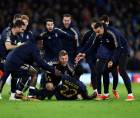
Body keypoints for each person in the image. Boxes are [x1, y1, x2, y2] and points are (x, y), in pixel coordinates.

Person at [1, 35, 60, 100]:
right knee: (34, 72)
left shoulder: (28, 44)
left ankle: (13, 96)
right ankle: (31, 95)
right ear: (39, 42)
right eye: (41, 44)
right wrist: (53, 70)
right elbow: (40, 62)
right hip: (16, 63)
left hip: (8, 60)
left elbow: (28, 58)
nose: (42, 46)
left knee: (15, 76)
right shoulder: (34, 48)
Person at [93, 22, 134, 101]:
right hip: (115, 53)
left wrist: (112, 60)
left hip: (122, 52)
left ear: (102, 28)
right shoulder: (101, 35)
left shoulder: (111, 33)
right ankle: (106, 94)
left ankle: (130, 94)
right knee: (105, 71)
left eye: (98, 31)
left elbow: (118, 47)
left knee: (122, 71)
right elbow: (109, 48)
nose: (97, 33)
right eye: (95, 32)